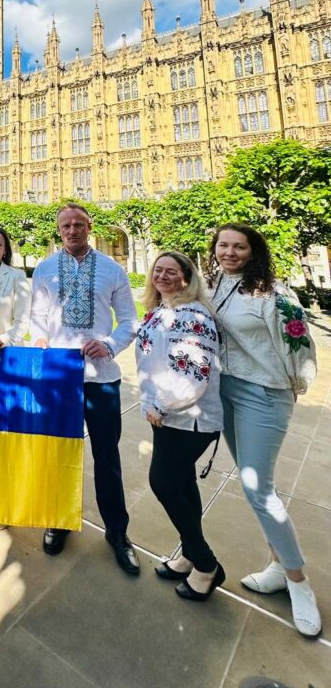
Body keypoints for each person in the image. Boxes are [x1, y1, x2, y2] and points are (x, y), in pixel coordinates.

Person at [209, 224, 321, 637]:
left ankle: (298, 582)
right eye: (224, 245)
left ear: (253, 251)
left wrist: (293, 388)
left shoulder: (273, 290)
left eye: (239, 246)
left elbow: (301, 345)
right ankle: (278, 565)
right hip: (227, 391)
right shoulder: (217, 283)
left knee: (259, 487)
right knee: (251, 483)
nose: (230, 252)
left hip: (265, 393)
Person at [30, 204, 140, 574]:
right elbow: (37, 319)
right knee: (60, 451)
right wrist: (41, 340)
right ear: (58, 230)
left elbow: (128, 321)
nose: (72, 230)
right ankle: (58, 520)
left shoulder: (112, 270)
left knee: (107, 458)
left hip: (102, 378)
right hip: (60, 380)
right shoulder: (45, 269)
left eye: (79, 224)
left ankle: (117, 532)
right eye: (66, 225)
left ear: (89, 227)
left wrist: (109, 344)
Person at [136, 252, 224, 600]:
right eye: (158, 270)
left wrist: (160, 404)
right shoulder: (165, 310)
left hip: (188, 417)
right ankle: (190, 554)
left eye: (172, 272)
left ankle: (206, 564)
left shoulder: (192, 315)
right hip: (171, 416)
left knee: (163, 483)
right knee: (183, 484)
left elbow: (193, 372)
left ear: (187, 278)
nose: (163, 276)